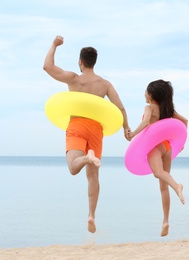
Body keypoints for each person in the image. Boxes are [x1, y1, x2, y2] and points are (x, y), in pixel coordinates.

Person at [43, 35, 130, 233]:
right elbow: (121, 108)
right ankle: (91, 215)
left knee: (74, 168)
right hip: (96, 130)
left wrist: (54, 45)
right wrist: (126, 127)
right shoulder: (104, 84)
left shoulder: (74, 79)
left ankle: (85, 158)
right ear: (94, 62)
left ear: (81, 62)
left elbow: (47, 67)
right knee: (93, 177)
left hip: (77, 126)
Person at [127, 79, 188, 237]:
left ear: (152, 95)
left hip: (155, 147)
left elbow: (147, 122)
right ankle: (166, 221)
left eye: (146, 91)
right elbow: (185, 122)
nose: (145, 94)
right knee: (162, 186)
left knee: (158, 173)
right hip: (167, 147)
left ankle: (177, 186)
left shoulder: (149, 108)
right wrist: (180, 144)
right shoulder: (167, 109)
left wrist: (133, 133)